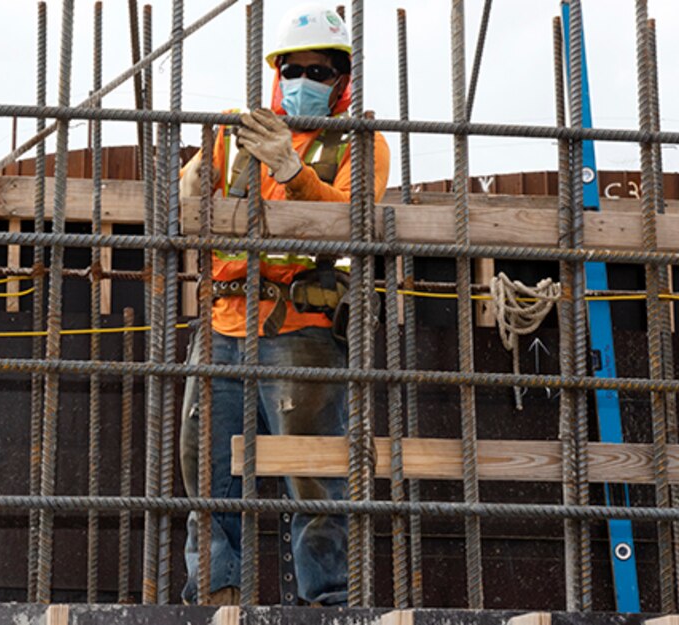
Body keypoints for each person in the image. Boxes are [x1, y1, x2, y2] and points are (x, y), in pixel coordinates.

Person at [177, 2, 390, 607]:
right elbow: (187, 201)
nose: (304, 83)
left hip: (302, 331)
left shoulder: (358, 145)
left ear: (341, 81)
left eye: (319, 73)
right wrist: (195, 182)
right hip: (220, 323)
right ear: (275, 73)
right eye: (293, 70)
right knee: (207, 480)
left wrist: (293, 170)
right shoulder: (231, 132)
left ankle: (327, 603)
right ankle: (216, 599)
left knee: (317, 481)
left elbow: (349, 225)